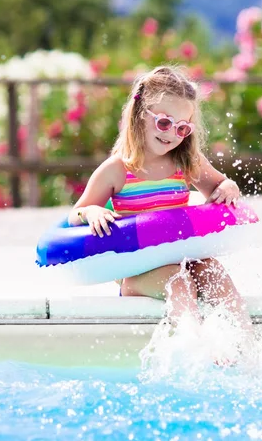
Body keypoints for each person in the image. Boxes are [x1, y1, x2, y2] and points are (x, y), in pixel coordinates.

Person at [68, 65, 252, 333]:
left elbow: (219, 186)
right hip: (137, 269)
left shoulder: (186, 163)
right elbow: (78, 212)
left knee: (214, 273)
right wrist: (92, 212)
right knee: (179, 282)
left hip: (180, 255)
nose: (170, 135)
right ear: (141, 115)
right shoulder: (117, 170)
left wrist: (229, 186)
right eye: (164, 123)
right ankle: (196, 348)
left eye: (182, 129)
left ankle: (245, 348)